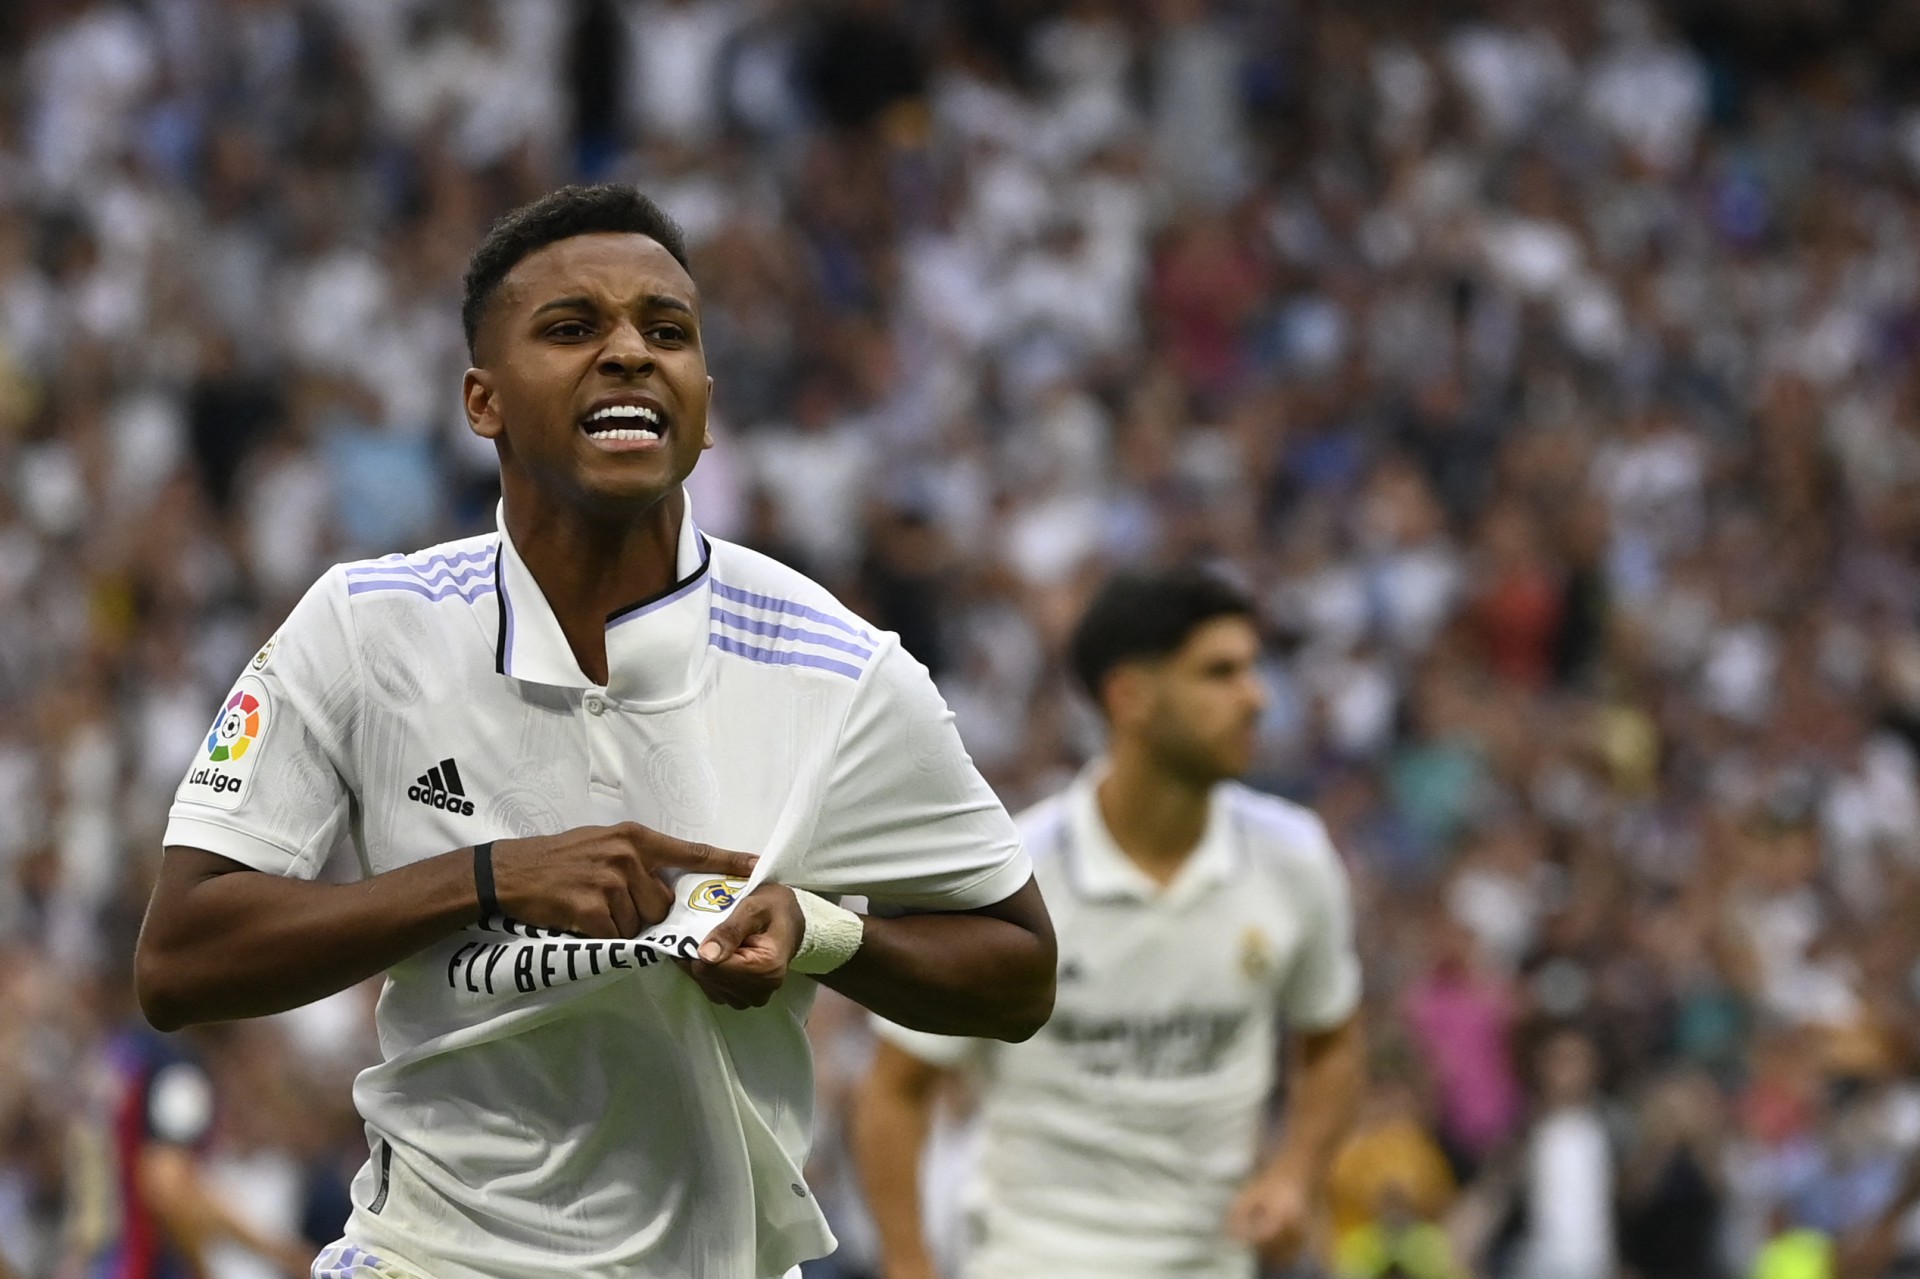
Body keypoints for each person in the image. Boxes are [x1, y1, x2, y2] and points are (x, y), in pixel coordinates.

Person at [133, 184, 1057, 1279]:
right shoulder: (362, 628)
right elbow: (178, 958)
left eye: (666, 332)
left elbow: (1021, 970)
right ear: (482, 401)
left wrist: (823, 933)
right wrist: (487, 876)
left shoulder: (843, 670)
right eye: (573, 329)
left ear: (705, 404)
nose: (629, 352)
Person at [854, 568, 1366, 1279]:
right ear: (1131, 696)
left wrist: (1295, 1174)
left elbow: (1332, 1040)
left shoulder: (1295, 857)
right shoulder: (1016, 877)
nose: (1258, 697)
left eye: (1252, 669)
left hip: (1217, 1261)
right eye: (1220, 673)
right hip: (1035, 1258)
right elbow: (896, 1086)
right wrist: (908, 1262)